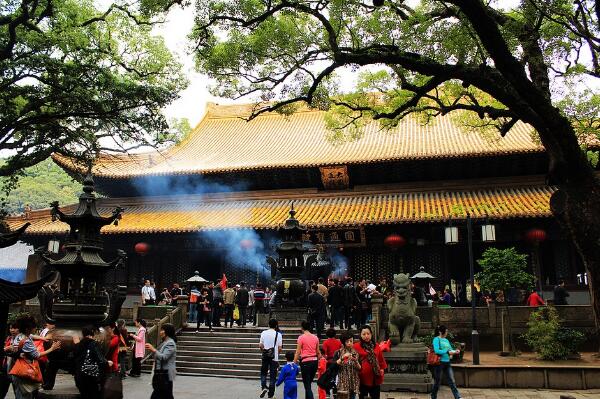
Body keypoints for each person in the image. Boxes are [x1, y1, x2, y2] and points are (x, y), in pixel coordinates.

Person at [73, 326, 108, 399]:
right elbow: (100, 360)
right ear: (93, 333)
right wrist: (108, 363)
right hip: (91, 376)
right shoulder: (93, 344)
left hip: (79, 376)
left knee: (84, 395)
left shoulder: (78, 345)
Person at [353, 324, 386, 399]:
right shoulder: (356, 346)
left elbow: (380, 359)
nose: (366, 336)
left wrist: (381, 370)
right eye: (364, 334)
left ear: (371, 334)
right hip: (362, 378)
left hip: (375, 377)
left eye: (368, 334)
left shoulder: (376, 345)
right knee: (363, 397)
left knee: (375, 397)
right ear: (360, 335)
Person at [146, 323, 177, 399]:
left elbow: (164, 357)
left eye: (162, 330)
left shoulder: (170, 343)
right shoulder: (164, 342)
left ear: (167, 332)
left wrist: (153, 349)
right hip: (161, 373)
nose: (160, 332)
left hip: (165, 374)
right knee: (166, 395)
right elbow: (158, 355)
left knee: (158, 395)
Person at [430, 325, 462, 399]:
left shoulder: (446, 340)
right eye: (446, 331)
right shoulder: (436, 339)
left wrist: (455, 351)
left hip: (447, 362)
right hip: (439, 363)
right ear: (441, 332)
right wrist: (446, 351)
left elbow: (450, 350)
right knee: (437, 382)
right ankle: (433, 396)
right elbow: (437, 351)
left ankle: (458, 397)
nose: (447, 332)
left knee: (452, 380)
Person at [294, 320, 321, 399]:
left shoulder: (301, 338)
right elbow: (318, 352)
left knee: (307, 386)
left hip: (305, 362)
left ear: (302, 328)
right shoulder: (315, 337)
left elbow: (298, 352)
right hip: (314, 362)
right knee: (308, 383)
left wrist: (293, 363)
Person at [259, 318, 283, 399]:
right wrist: (275, 353)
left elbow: (261, 346)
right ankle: (271, 394)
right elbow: (280, 348)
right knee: (273, 376)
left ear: (268, 325)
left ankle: (264, 387)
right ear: (276, 325)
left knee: (263, 373)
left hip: (265, 357)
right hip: (274, 358)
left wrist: (264, 351)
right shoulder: (278, 334)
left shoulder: (263, 333)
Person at [334, 331, 361, 399]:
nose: (349, 343)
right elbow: (334, 365)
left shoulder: (356, 353)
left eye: (351, 341)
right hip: (342, 381)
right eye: (347, 341)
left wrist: (356, 361)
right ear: (343, 342)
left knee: (352, 397)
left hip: (353, 381)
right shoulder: (338, 352)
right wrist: (342, 358)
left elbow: (360, 368)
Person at [1, 322, 20, 398]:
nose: (12, 330)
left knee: (18, 393)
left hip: (17, 370)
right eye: (11, 328)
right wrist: (7, 348)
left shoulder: (22, 339)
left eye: (15, 328)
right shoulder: (8, 338)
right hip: (5, 370)